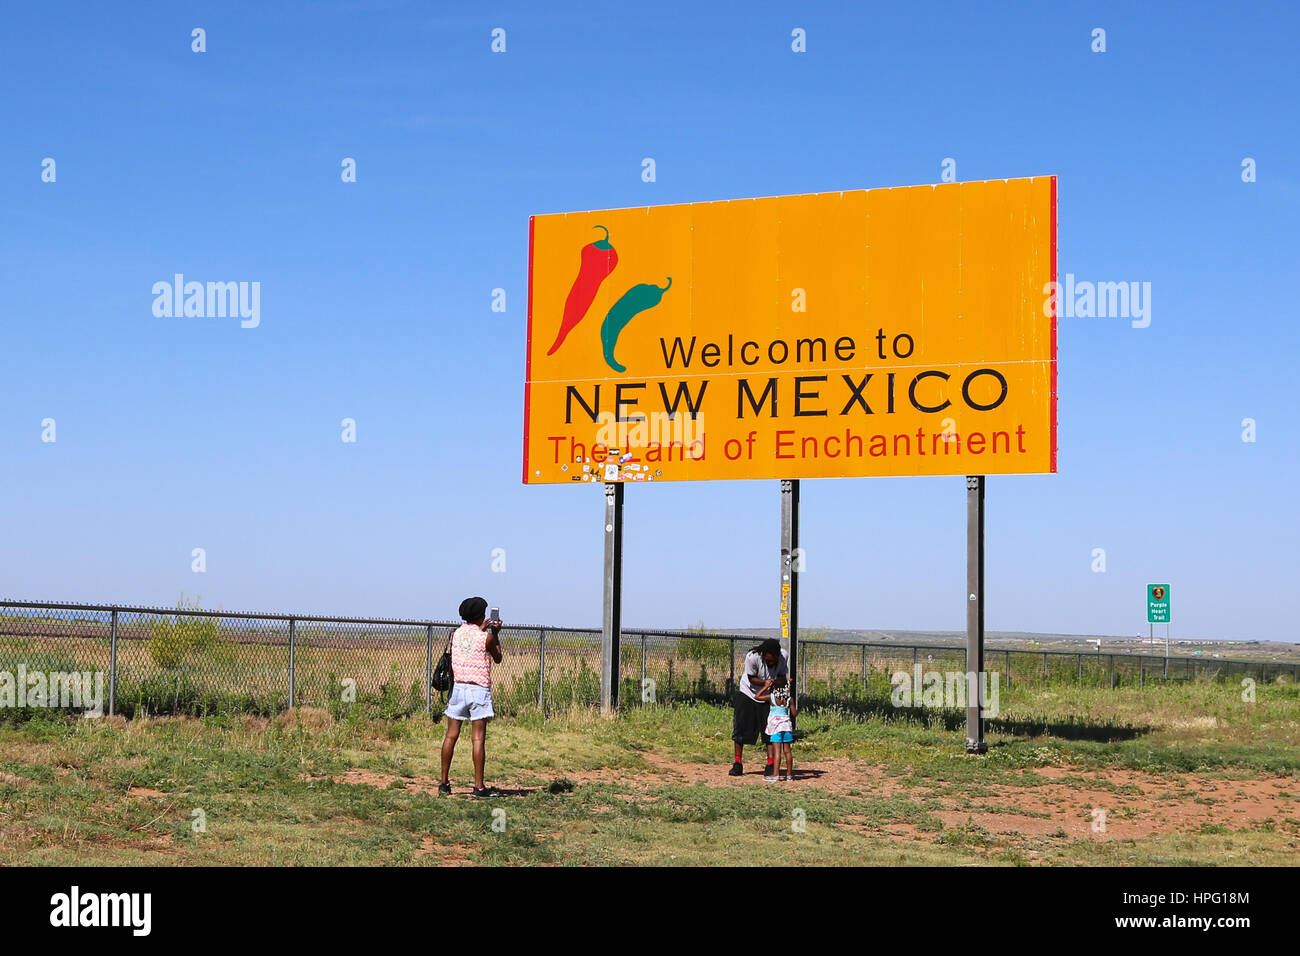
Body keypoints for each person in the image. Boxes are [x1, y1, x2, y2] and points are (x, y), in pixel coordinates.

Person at [438, 596, 503, 798]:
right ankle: (479, 787)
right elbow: (498, 657)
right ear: (481, 616)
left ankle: (444, 783)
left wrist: (481, 628)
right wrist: (495, 632)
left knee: (451, 735)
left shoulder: (455, 634)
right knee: (478, 739)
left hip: (458, 689)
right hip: (478, 690)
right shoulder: (487, 637)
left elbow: (469, 640)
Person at [729, 637, 789, 777]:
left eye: (774, 660)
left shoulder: (783, 656)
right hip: (748, 693)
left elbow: (781, 675)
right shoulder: (752, 657)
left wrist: (780, 689)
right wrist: (766, 683)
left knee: (769, 731)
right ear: (764, 654)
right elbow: (751, 678)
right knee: (740, 730)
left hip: (768, 696)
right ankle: (738, 763)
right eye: (768, 660)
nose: (771, 662)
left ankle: (770, 764)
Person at [755, 679, 797, 781]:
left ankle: (775, 774)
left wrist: (765, 686)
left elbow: (757, 696)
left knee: (777, 751)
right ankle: (789, 775)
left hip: (775, 728)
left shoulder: (772, 698)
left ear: (774, 688)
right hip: (786, 726)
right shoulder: (789, 699)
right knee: (787, 751)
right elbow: (795, 714)